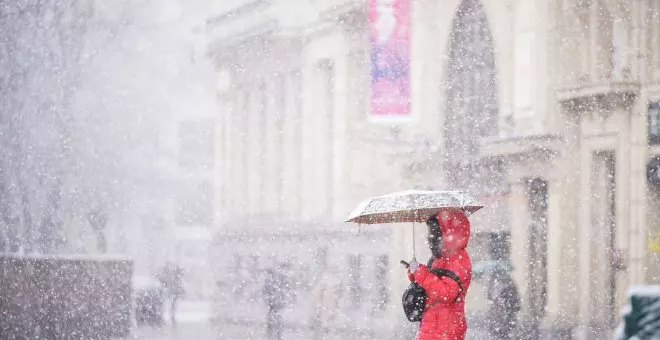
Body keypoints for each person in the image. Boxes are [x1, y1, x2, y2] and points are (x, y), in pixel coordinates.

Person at [406, 209, 472, 340]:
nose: (429, 237)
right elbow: (431, 287)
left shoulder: (458, 260)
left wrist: (421, 273)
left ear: (448, 234)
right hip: (432, 326)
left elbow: (447, 293)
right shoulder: (439, 259)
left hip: (446, 330)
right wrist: (415, 273)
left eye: (433, 233)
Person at [486, 268, 520, 340]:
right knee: (505, 329)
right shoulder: (507, 285)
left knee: (504, 329)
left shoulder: (497, 284)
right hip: (505, 312)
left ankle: (502, 333)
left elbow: (490, 296)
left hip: (505, 311)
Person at [263, 266, 287, 340]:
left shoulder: (275, 283)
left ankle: (274, 335)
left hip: (274, 307)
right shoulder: (274, 283)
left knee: (274, 323)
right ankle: (275, 335)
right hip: (274, 307)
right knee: (274, 323)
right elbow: (265, 293)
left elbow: (265, 293)